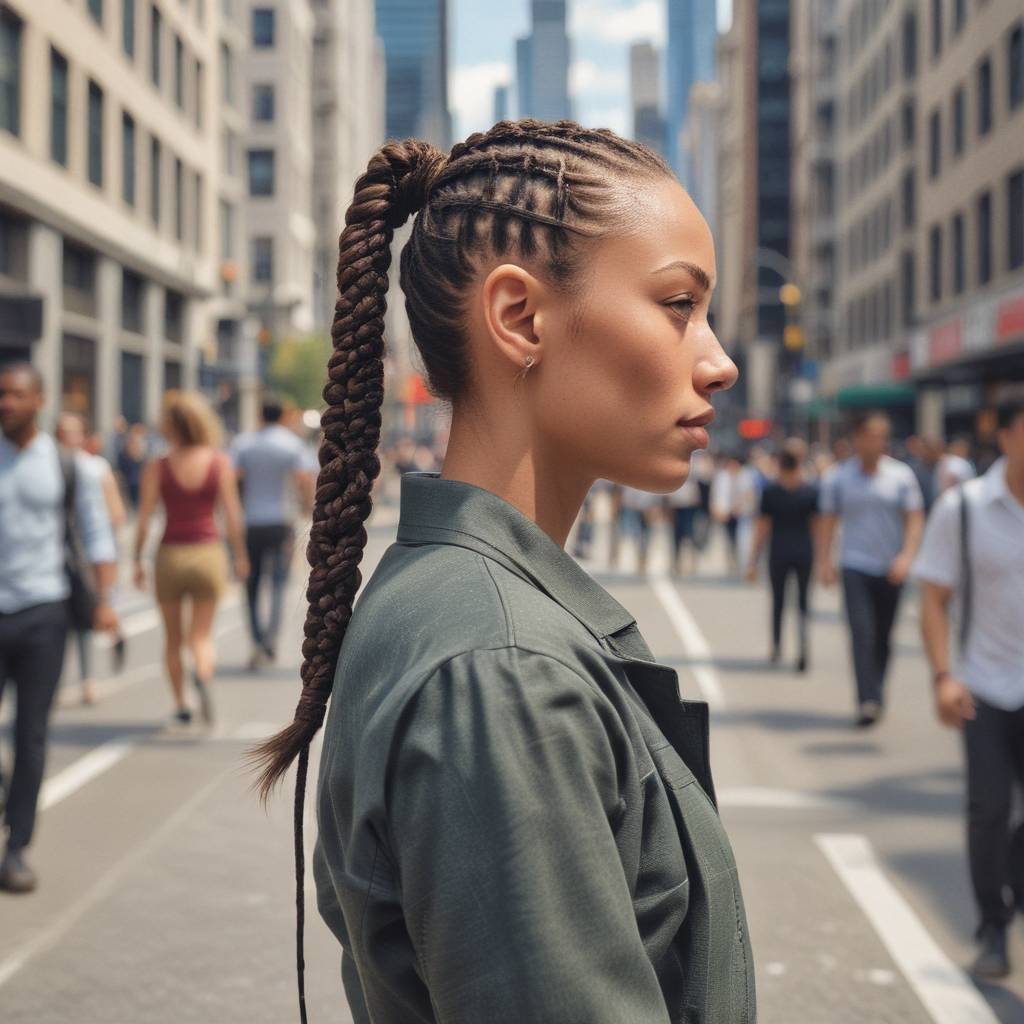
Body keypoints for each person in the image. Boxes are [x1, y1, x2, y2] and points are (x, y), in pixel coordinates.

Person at [251, 122, 755, 1024]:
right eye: (679, 305)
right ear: (520, 317)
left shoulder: (458, 609)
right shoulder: (504, 670)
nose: (717, 363)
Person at [914, 400, 1024, 980]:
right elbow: (933, 598)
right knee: (990, 810)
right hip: (982, 686)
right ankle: (992, 926)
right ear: (1005, 435)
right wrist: (942, 676)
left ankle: (1013, 892)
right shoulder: (963, 509)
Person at [0, 364, 118, 893]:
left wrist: (106, 601)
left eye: (16, 394)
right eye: (0, 394)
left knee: (31, 736)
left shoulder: (68, 465)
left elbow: (95, 535)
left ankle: (16, 849)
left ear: (39, 400)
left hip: (44, 613)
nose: (5, 402)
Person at [133, 392, 248, 725]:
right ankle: (202, 671)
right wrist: (240, 555)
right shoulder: (219, 462)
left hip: (170, 554)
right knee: (200, 636)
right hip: (207, 553)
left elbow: (143, 518)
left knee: (173, 639)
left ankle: (182, 702)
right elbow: (232, 515)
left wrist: (138, 558)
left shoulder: (159, 466)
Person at [818, 411, 925, 726]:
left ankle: (876, 689)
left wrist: (906, 556)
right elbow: (827, 521)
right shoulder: (838, 477)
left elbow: (914, 519)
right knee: (861, 633)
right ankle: (867, 698)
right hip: (855, 566)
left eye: (883, 436)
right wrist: (824, 560)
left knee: (883, 636)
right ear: (857, 439)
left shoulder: (901, 476)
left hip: (891, 568)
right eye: (872, 435)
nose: (878, 442)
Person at [230, 394, 314, 669]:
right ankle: (270, 640)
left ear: (260, 415)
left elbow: (233, 480)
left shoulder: (244, 444)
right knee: (278, 583)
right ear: (283, 416)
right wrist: (306, 509)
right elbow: (303, 480)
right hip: (282, 521)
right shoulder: (291, 445)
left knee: (251, 585)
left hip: (251, 522)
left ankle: (256, 639)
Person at [55, 413, 128, 704]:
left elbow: (116, 514)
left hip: (90, 556)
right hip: (59, 556)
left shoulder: (95, 468)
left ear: (84, 436)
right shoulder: (48, 465)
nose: (67, 438)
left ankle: (87, 679)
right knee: (60, 622)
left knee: (86, 621)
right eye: (62, 432)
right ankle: (57, 682)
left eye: (72, 432)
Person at [747, 448, 818, 671]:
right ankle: (804, 647)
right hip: (805, 551)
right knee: (803, 602)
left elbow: (762, 526)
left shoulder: (771, 492)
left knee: (778, 601)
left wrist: (753, 559)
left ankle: (777, 645)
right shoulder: (810, 491)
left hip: (778, 550)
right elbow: (817, 526)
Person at [711, 451, 758, 575]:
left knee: (743, 539)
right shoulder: (722, 477)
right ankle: (732, 559)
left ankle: (741, 562)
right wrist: (717, 510)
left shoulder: (746, 476)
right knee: (729, 537)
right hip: (726, 512)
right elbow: (716, 495)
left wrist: (739, 505)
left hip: (742, 513)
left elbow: (750, 494)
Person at [666, 462, 702, 575]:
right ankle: (677, 562)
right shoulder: (672, 470)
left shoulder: (693, 469)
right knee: (676, 537)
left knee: (690, 535)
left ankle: (691, 562)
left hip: (689, 508)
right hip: (675, 507)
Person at [618, 484, 660, 575]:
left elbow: (655, 495)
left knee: (646, 536)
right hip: (633, 508)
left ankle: (643, 559)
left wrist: (654, 509)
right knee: (635, 534)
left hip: (647, 507)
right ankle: (639, 558)